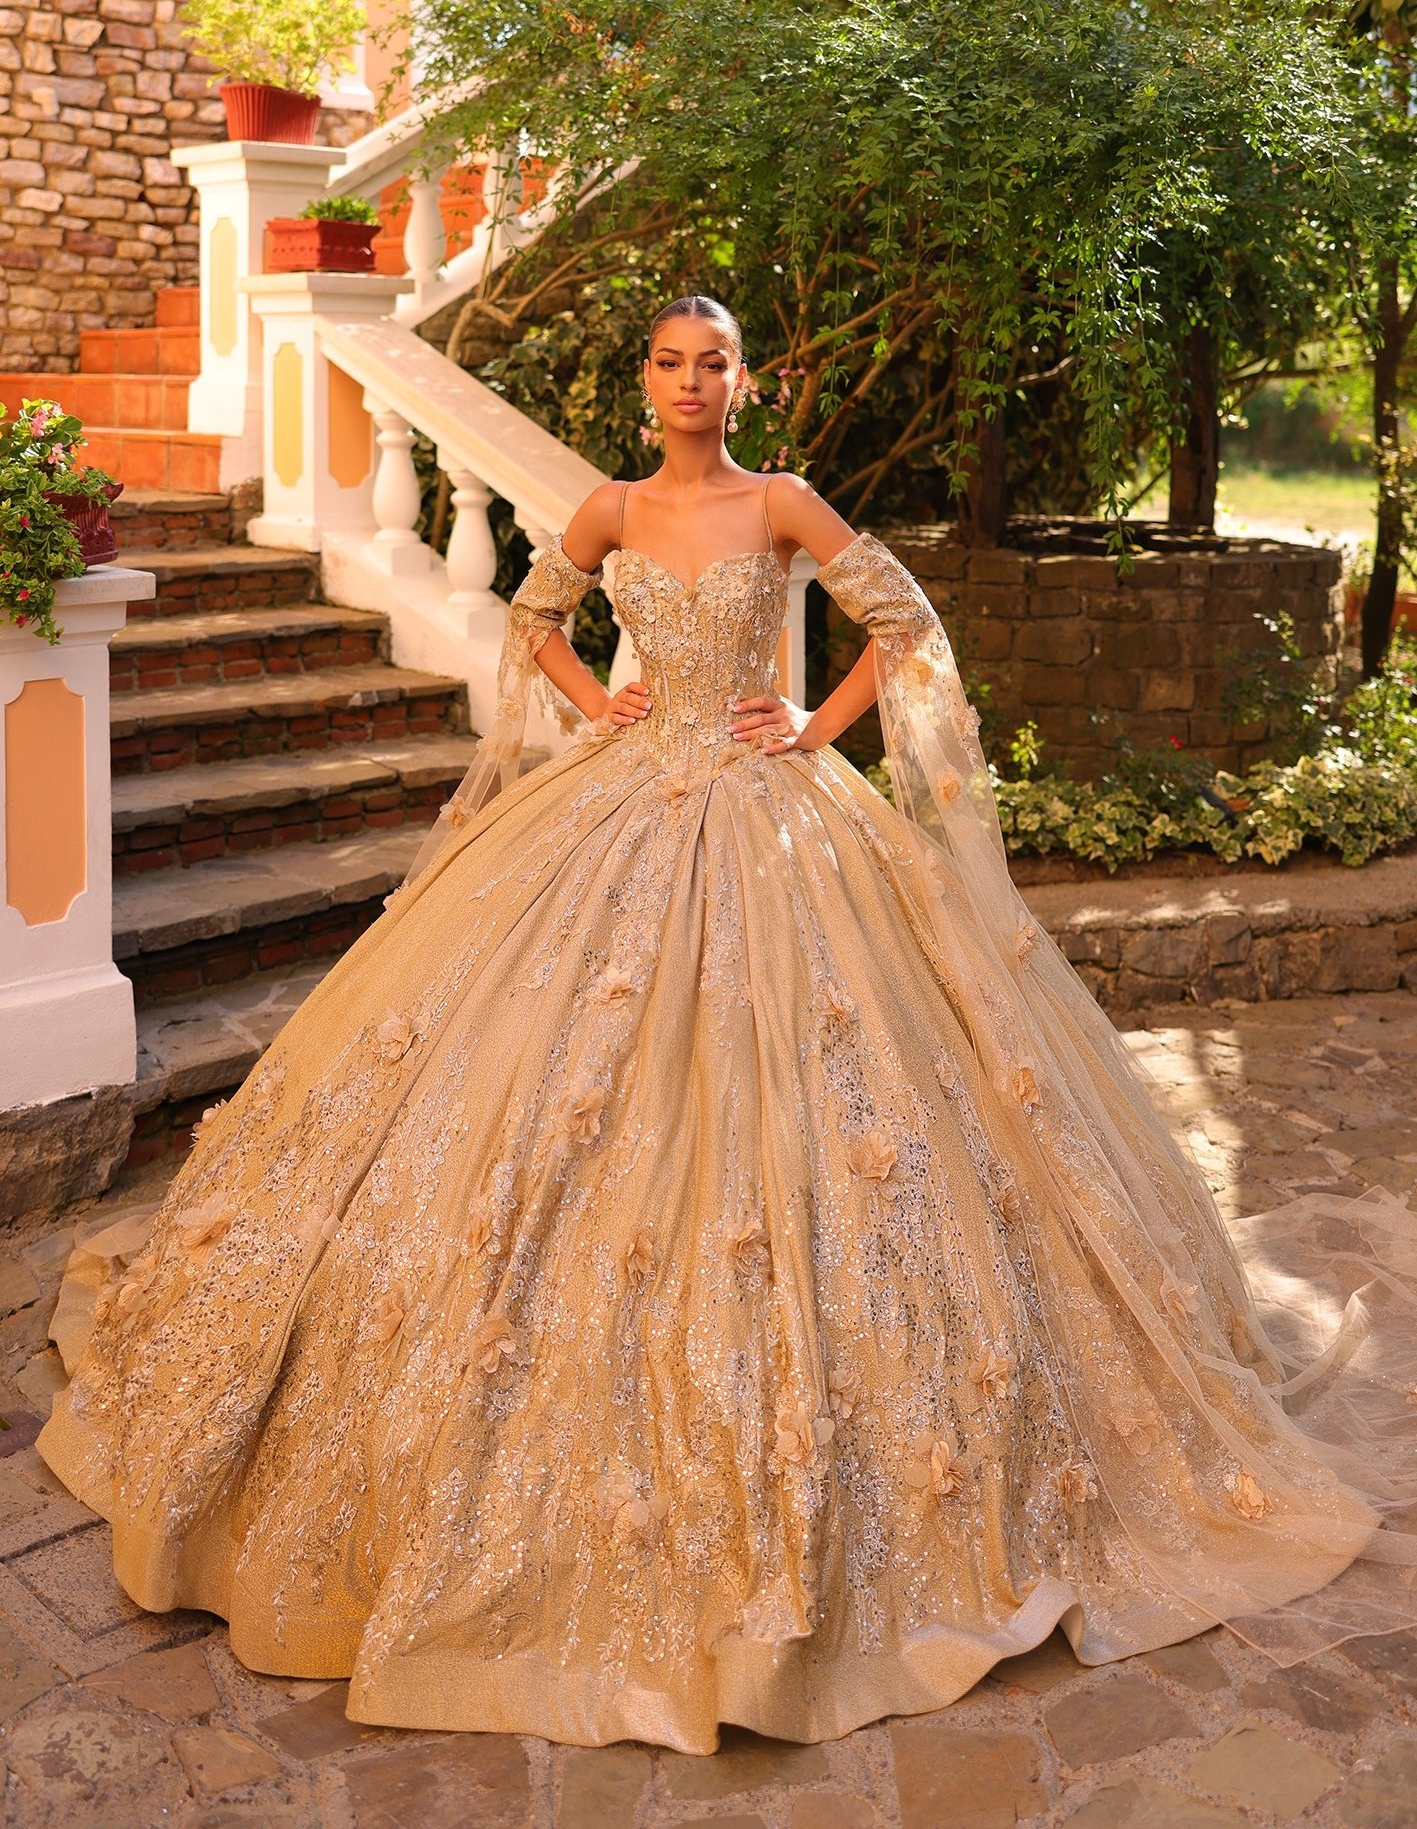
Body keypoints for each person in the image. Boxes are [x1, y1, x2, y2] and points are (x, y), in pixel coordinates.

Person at [37, 295, 1417, 1756]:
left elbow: (902, 622)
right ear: (644, 385)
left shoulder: (783, 502)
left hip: (775, 815)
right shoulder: (612, 506)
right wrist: (594, 707)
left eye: (712, 362)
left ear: (740, 385)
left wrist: (816, 730)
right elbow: (533, 620)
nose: (690, 382)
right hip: (625, 802)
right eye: (668, 363)